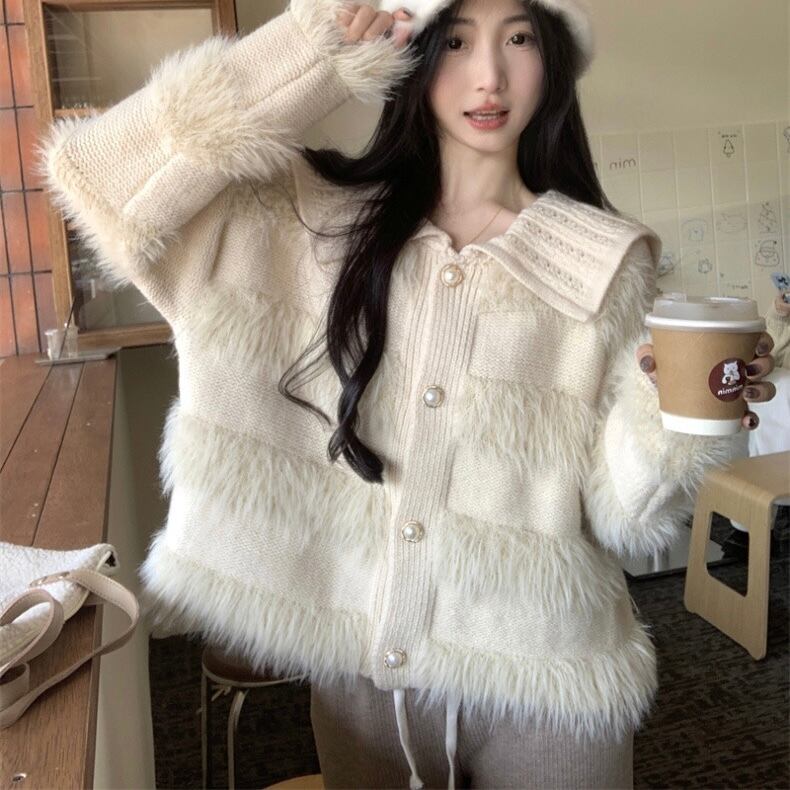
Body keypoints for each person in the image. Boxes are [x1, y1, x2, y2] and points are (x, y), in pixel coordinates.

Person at [35, 0, 777, 787]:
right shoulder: (301, 217)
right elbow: (101, 179)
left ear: (553, 58)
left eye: (519, 37)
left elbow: (622, 516)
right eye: (454, 40)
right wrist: (314, 49)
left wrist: (678, 421)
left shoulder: (604, 260)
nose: (489, 75)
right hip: (363, 685)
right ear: (413, 50)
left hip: (548, 688)